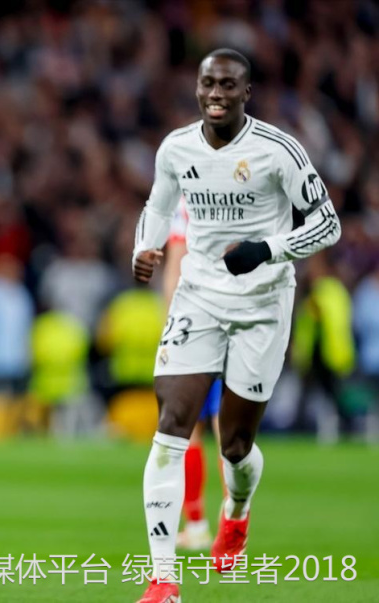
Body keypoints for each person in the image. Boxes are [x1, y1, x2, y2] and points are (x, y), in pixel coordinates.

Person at [131, 48, 341, 603]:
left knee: (236, 445)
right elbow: (158, 206)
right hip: (197, 298)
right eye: (208, 84)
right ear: (197, 88)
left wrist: (266, 250)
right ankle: (163, 580)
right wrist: (145, 247)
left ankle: (237, 510)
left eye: (228, 85)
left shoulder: (278, 151)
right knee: (171, 426)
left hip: (263, 304)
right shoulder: (176, 148)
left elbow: (328, 224)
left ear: (246, 93)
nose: (216, 94)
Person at [162, 197, 224, 551]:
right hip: (236, 318)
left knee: (190, 426)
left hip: (193, 324)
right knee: (228, 425)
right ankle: (231, 527)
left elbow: (175, 268)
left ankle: (197, 524)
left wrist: (170, 332)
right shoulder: (245, 190)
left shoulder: (186, 200)